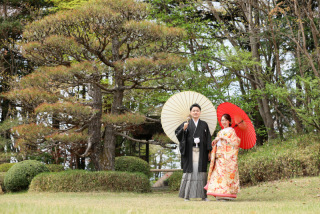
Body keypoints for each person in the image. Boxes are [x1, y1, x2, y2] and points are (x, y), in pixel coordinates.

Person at [175, 103, 212, 201]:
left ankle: (203, 196)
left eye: (197, 110)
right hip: (189, 152)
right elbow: (178, 135)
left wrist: (209, 152)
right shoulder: (186, 123)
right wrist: (183, 129)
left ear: (200, 112)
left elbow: (208, 137)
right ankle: (187, 195)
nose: (195, 112)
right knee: (190, 172)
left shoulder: (204, 124)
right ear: (191, 112)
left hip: (202, 152)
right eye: (193, 111)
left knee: (201, 172)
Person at [205, 113, 241, 201]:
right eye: (222, 120)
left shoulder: (232, 131)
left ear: (229, 121)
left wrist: (224, 139)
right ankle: (219, 194)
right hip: (219, 156)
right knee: (217, 175)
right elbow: (217, 144)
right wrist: (215, 142)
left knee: (226, 176)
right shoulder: (220, 132)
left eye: (225, 120)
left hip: (227, 157)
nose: (223, 122)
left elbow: (235, 143)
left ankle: (227, 194)